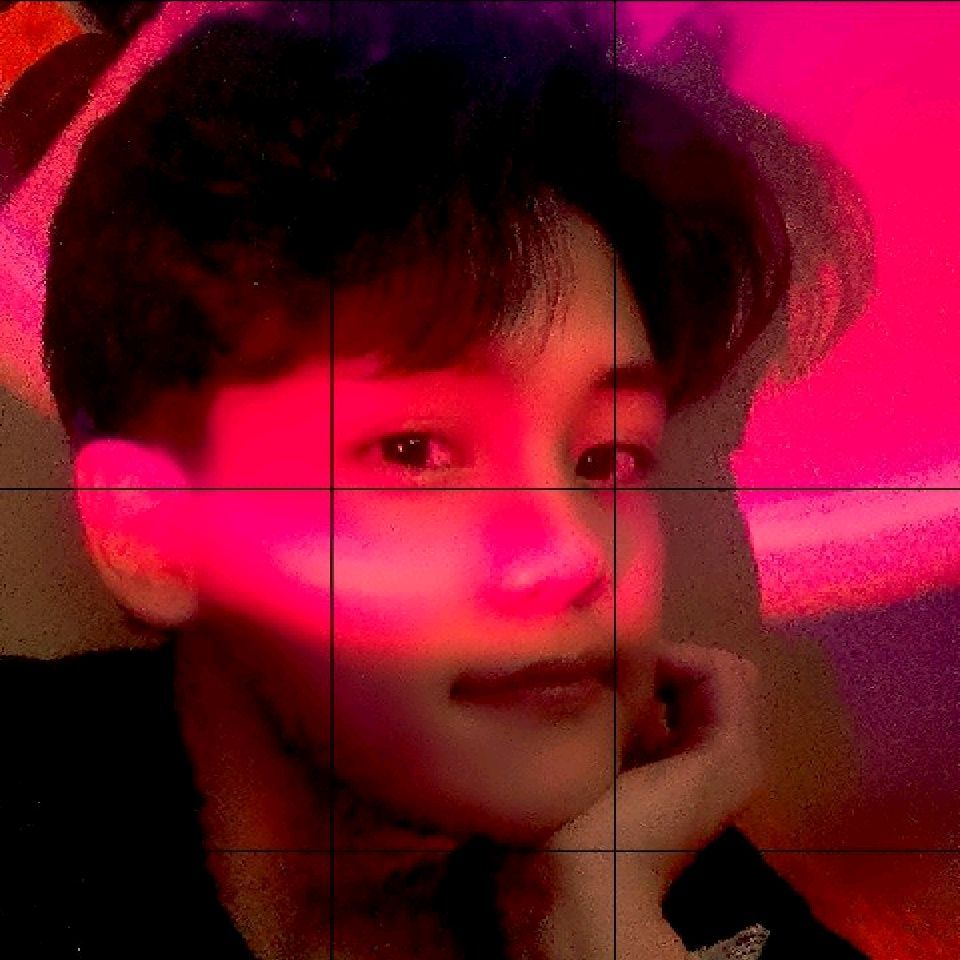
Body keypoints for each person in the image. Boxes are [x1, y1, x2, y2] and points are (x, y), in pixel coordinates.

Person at [1, 2, 871, 957]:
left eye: (608, 459)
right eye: (415, 452)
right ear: (148, 534)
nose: (574, 554)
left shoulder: (681, 890)